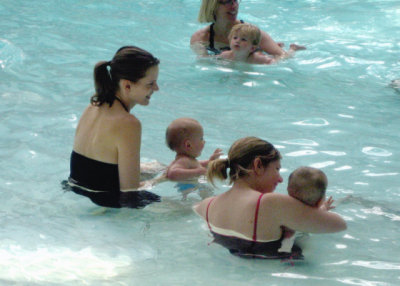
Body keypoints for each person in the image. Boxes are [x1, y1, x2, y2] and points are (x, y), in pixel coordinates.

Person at [193, 137, 347, 259]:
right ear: (258, 165)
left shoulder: (204, 206)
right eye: (277, 169)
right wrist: (321, 207)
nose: (280, 179)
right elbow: (339, 225)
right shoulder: (270, 203)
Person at [63, 46, 162, 209]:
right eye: (150, 84)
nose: (156, 89)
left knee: (159, 166)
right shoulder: (129, 123)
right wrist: (162, 179)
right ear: (127, 86)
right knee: (190, 208)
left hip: (74, 189)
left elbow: (98, 168)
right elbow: (130, 190)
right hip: (106, 201)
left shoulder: (92, 107)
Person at [190, 0, 286, 56]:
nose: (234, 6)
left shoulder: (252, 33)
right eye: (227, 1)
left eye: (235, 0)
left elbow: (283, 57)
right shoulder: (200, 38)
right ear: (213, 6)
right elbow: (205, 65)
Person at [278, 166, 334, 254]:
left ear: (288, 190)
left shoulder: (280, 205)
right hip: (294, 244)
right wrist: (324, 208)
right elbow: (318, 216)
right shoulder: (310, 215)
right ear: (320, 200)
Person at [219, 23, 305, 65]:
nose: (237, 41)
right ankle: (277, 45)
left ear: (252, 48)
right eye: (235, 38)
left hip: (265, 55)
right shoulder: (225, 55)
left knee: (285, 57)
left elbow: (276, 63)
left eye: (243, 39)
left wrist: (277, 58)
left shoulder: (258, 59)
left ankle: (293, 48)